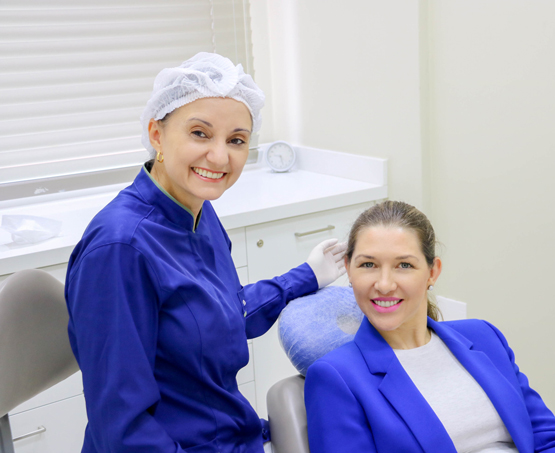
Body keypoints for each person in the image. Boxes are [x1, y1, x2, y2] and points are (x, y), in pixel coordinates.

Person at [65, 52, 346, 453]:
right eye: (200, 133)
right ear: (157, 134)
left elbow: (222, 312)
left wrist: (306, 276)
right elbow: (123, 429)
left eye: (236, 140)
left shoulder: (197, 210)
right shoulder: (121, 249)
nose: (219, 156)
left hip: (229, 434)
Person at [304, 201, 555, 453]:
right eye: (368, 265)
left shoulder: (484, 337)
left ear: (433, 272)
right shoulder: (335, 377)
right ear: (349, 269)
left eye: (404, 265)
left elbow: (553, 440)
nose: (385, 284)